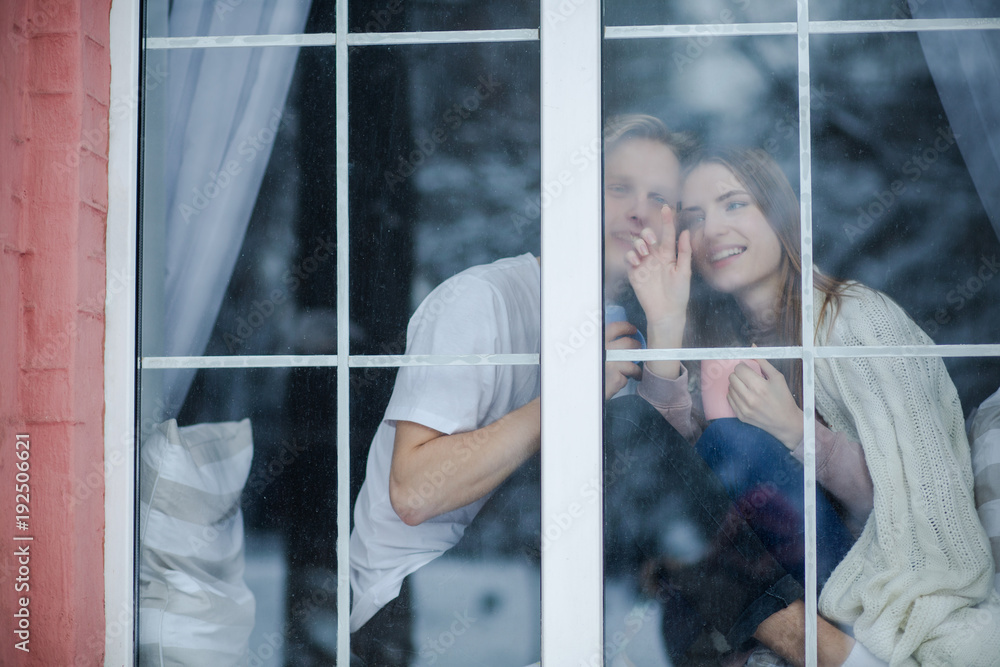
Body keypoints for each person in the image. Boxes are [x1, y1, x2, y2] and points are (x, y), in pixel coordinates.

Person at [622, 144, 1000, 664]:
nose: (713, 229)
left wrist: (798, 433)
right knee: (687, 603)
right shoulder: (723, 342)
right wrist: (664, 326)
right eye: (696, 217)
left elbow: (910, 502)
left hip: (872, 567)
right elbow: (680, 467)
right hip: (785, 563)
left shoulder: (855, 319)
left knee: (731, 452)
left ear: (779, 215)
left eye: (735, 204)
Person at [349, 114, 691, 665]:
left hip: (565, 615)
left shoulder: (622, 326)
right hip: (421, 609)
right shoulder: (480, 302)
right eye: (618, 187)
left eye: (659, 197)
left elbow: (681, 473)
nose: (637, 210)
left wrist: (669, 326)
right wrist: (574, 391)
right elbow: (413, 493)